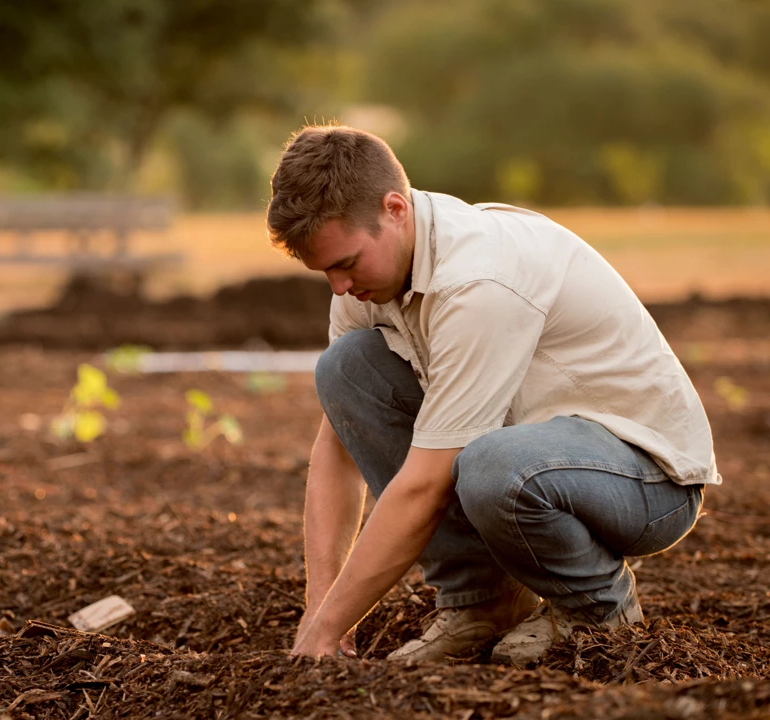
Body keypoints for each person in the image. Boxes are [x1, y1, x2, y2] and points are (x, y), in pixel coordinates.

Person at [266, 124, 718, 667]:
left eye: (346, 263)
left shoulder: (478, 282)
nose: (338, 287)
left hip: (648, 478)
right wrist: (319, 616)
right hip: (536, 451)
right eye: (325, 272)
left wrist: (332, 625)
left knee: (490, 466)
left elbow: (425, 487)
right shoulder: (370, 284)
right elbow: (338, 449)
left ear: (394, 209)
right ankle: (483, 602)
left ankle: (597, 609)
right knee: (346, 369)